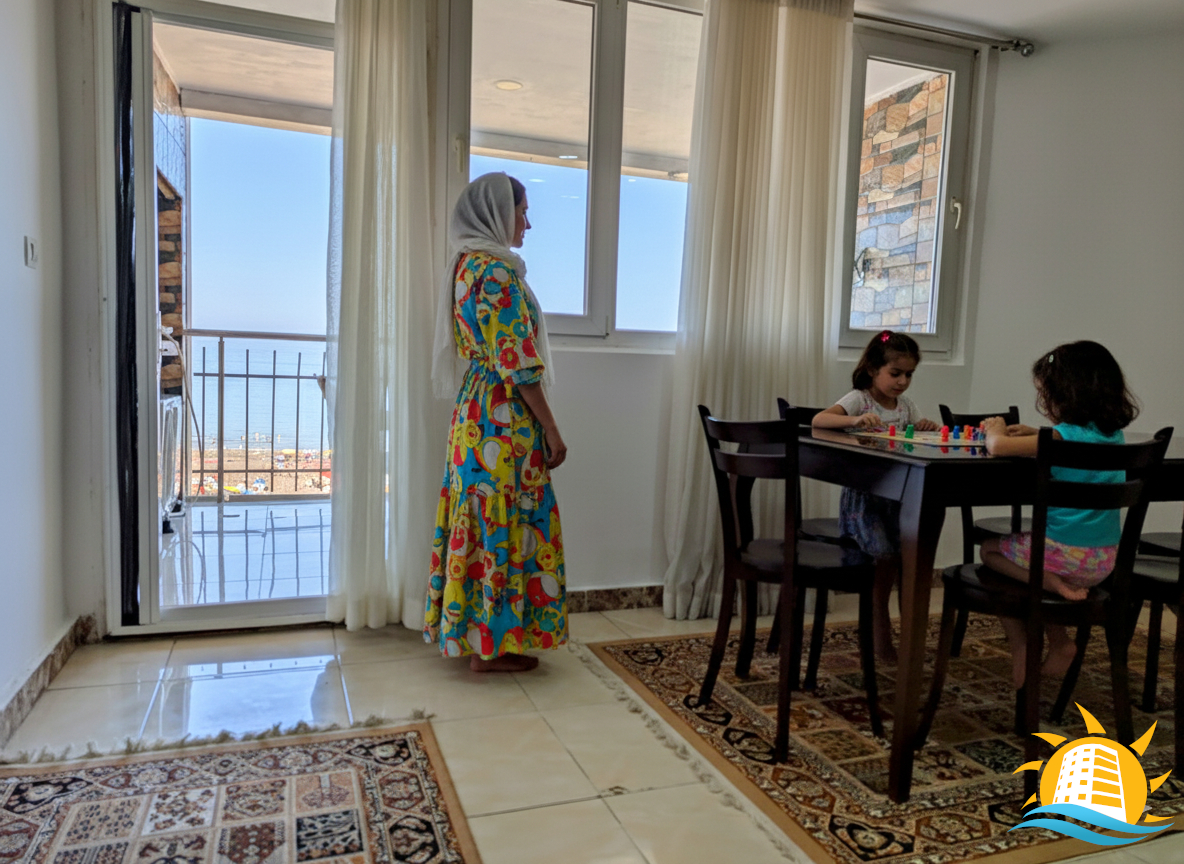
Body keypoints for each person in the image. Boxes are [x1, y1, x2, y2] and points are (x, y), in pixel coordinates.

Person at [424, 172, 569, 673]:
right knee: (507, 521)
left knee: (482, 520)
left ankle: (477, 635)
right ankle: (494, 647)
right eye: (522, 211)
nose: (527, 222)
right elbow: (520, 364)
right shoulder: (499, 275)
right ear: (496, 213)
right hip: (503, 417)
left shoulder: (466, 268)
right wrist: (551, 429)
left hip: (473, 414)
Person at [980, 340, 1138, 688]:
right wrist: (1038, 435)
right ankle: (1059, 637)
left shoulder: (1062, 436)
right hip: (1102, 561)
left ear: (1065, 393)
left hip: (1059, 558)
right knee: (1036, 562)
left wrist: (996, 429)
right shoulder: (1115, 437)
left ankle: (1028, 637)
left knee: (989, 550)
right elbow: (1072, 442)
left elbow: (997, 447)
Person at [813, 330, 939, 661]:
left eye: (908, 374)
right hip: (864, 501)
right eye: (895, 373)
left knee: (901, 559)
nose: (902, 382)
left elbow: (910, 442)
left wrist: (923, 427)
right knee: (883, 560)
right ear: (873, 369)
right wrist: (854, 420)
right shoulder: (860, 399)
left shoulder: (906, 406)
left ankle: (897, 630)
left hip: (897, 500)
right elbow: (819, 419)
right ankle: (879, 630)